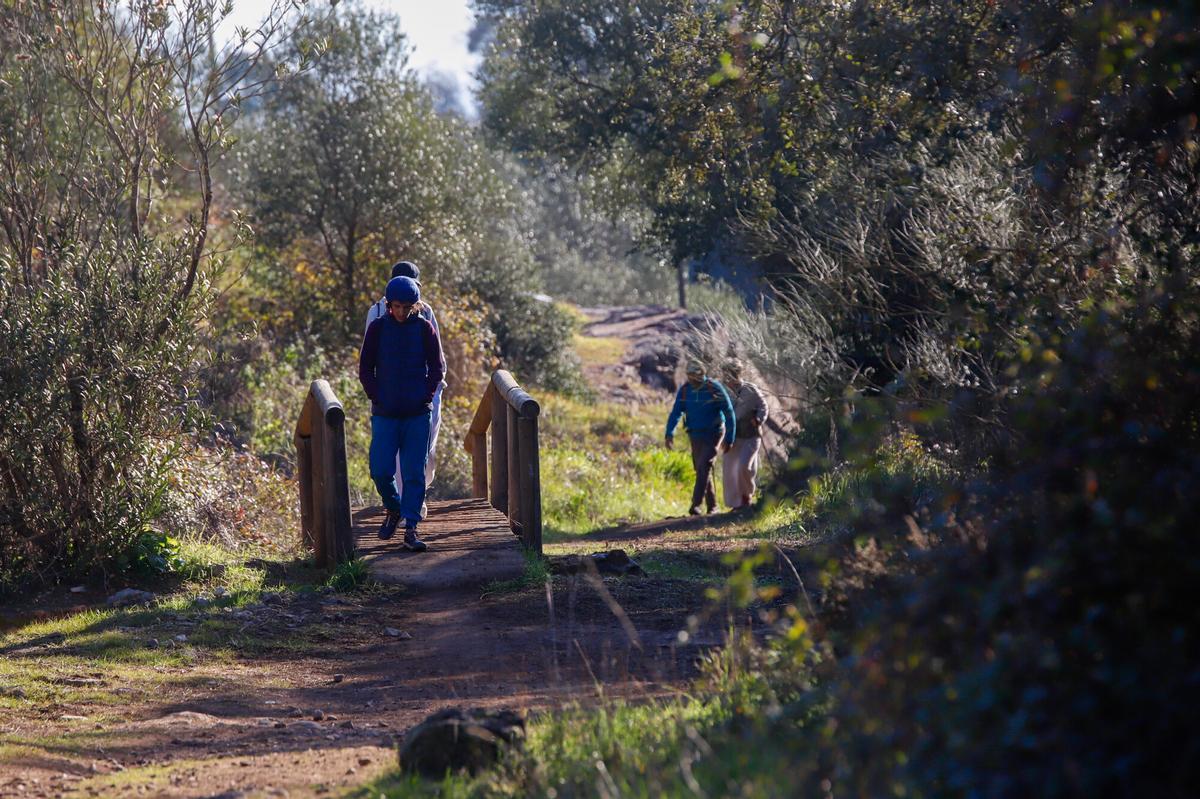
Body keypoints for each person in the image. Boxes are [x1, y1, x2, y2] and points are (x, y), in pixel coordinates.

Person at [358, 276, 445, 551]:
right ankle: (393, 509)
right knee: (380, 470)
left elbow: (437, 368)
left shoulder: (424, 329)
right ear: (388, 304)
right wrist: (376, 395)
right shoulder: (377, 329)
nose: (401, 312)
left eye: (407, 307)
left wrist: (426, 396)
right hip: (385, 414)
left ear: (415, 305)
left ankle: (411, 529)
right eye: (397, 306)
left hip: (417, 414)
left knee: (413, 473)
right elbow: (365, 369)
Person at [665, 360, 736, 515]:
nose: (694, 381)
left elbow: (729, 412)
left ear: (702, 375)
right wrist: (669, 433)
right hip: (695, 435)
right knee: (701, 469)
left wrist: (729, 438)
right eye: (691, 377)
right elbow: (676, 413)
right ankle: (713, 506)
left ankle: (695, 505)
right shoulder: (685, 391)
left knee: (704, 465)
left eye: (697, 377)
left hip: (714, 433)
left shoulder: (714, 388)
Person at [720, 360, 769, 510]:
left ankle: (746, 497)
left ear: (738, 373)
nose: (729, 376)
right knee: (729, 469)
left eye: (732, 373)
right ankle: (736, 505)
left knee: (744, 466)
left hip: (751, 435)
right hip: (732, 437)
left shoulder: (750, 389)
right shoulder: (722, 391)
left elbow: (764, 406)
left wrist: (759, 419)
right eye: (727, 373)